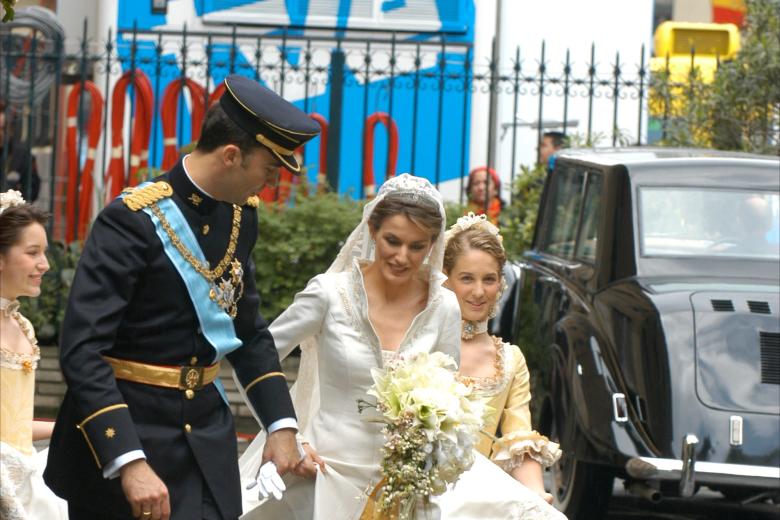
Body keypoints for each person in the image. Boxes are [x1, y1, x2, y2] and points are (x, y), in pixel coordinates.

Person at [43, 75, 321, 520]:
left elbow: (247, 332)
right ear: (231, 155)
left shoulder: (239, 218)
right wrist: (128, 461)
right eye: (269, 169)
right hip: (126, 441)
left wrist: (281, 425)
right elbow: (82, 351)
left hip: (206, 440)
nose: (271, 184)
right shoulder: (129, 221)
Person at [238, 173, 462, 519]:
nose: (402, 256)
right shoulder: (330, 294)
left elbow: (450, 394)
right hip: (326, 472)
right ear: (371, 229)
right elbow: (255, 358)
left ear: (433, 245)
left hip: (406, 485)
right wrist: (288, 437)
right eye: (393, 240)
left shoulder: (444, 306)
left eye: (417, 246)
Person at [438, 212, 563, 516]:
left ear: (500, 283)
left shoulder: (510, 360)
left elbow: (518, 439)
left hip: (481, 498)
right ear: (446, 279)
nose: (479, 292)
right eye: (467, 278)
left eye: (489, 279)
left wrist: (536, 494)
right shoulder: (422, 346)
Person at [0, 190, 67, 519]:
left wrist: (67, 427)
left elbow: (13, 425)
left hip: (24, 471)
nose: (45, 264)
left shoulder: (21, 323)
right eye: (32, 252)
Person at [0, 101, 41, 203]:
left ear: (10, 130)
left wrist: (13, 199)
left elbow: (32, 191)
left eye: (3, 128)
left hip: (10, 214)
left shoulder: (23, 155)